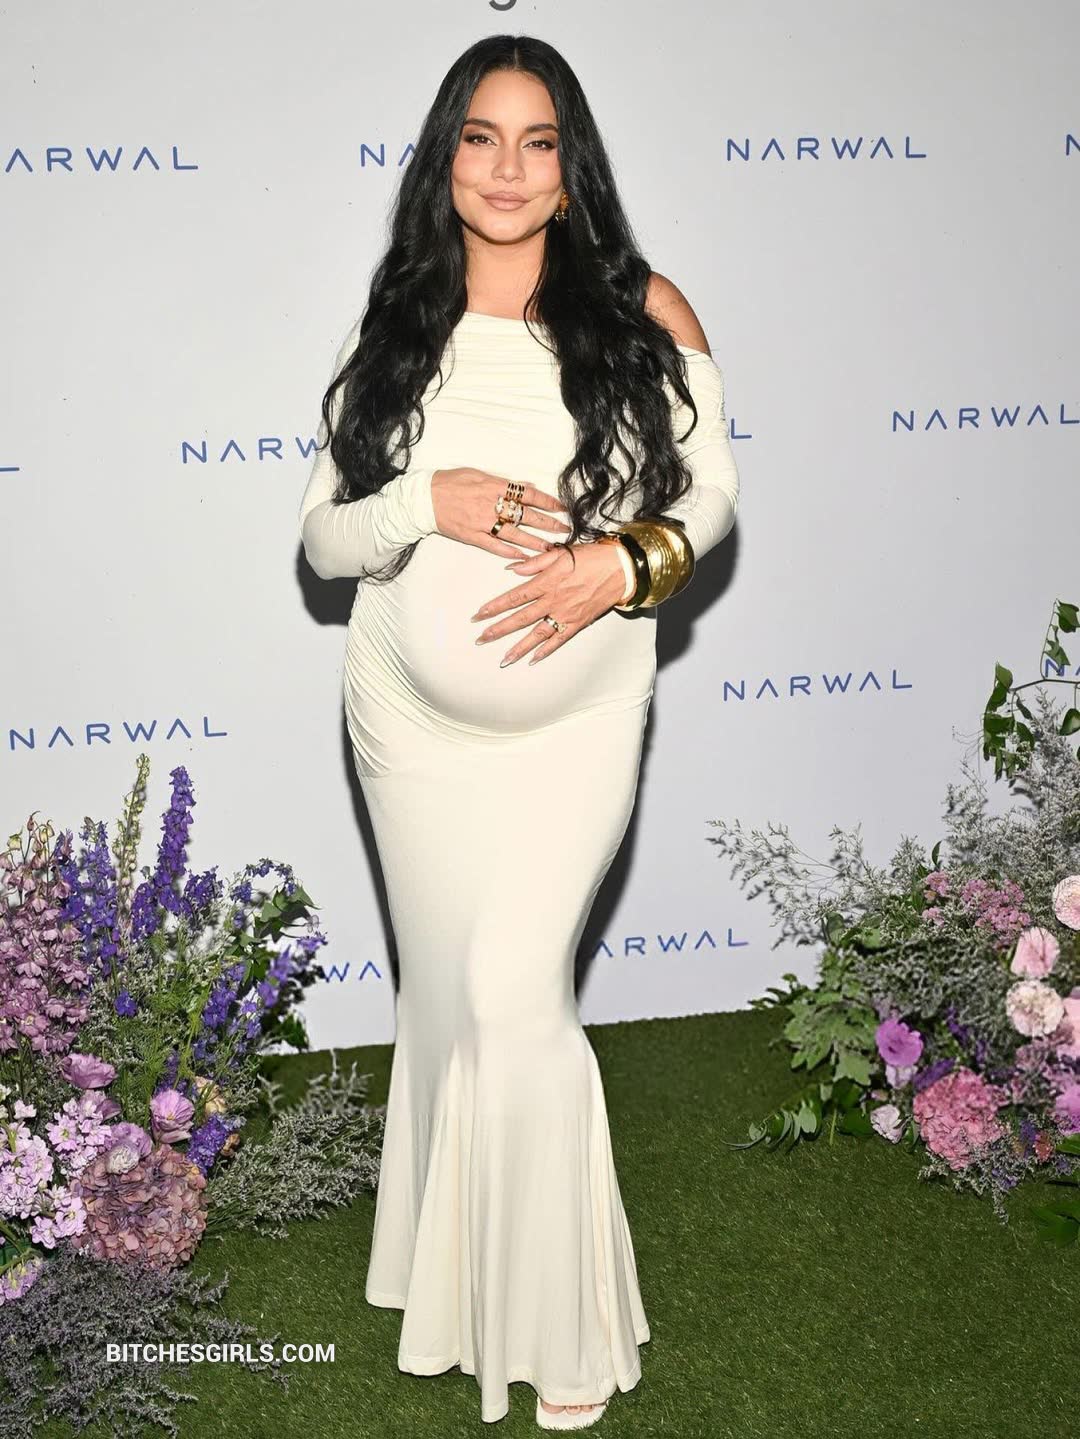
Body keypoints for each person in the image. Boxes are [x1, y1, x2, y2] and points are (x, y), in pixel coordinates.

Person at [298, 34, 740, 1432]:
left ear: (570, 166)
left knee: (510, 990)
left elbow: (713, 495)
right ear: (446, 160)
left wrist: (624, 563)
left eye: (537, 142)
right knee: (443, 997)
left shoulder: (642, 307)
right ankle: (440, 1284)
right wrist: (426, 500)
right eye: (480, 139)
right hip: (404, 721)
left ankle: (562, 1332)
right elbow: (324, 544)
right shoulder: (399, 323)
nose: (506, 169)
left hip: (577, 722)